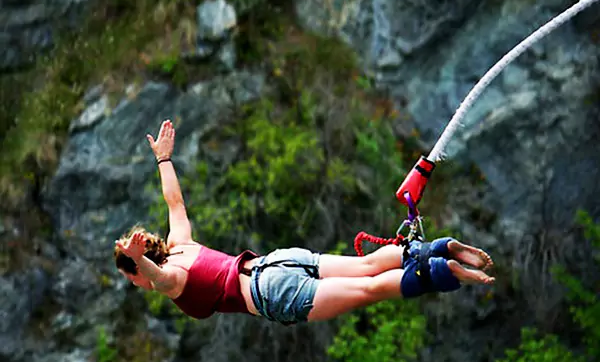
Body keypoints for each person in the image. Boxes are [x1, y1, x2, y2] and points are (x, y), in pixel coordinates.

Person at [114, 120, 495, 325]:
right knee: (365, 266)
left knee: (369, 290)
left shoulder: (171, 281)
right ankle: (437, 249)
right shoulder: (181, 244)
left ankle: (444, 272)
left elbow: (161, 279)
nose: (138, 284)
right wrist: (164, 159)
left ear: (138, 270)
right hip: (276, 260)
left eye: (133, 278)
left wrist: (138, 258)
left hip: (272, 293)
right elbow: (175, 202)